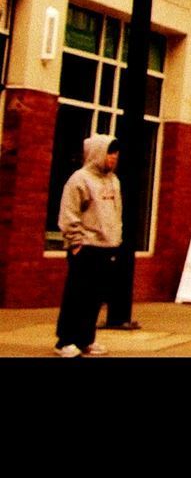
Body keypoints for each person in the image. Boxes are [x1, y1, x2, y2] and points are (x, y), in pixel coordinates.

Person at [54, 135, 122, 358]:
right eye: (110, 153)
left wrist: (116, 239)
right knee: (77, 295)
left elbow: (116, 214)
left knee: (95, 298)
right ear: (98, 153)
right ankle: (65, 340)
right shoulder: (79, 180)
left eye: (115, 154)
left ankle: (85, 340)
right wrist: (76, 243)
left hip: (106, 247)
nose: (113, 158)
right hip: (86, 247)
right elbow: (69, 213)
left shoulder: (114, 181)